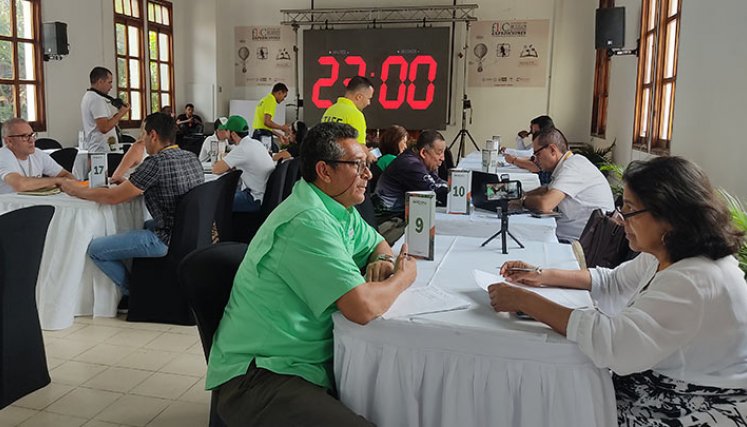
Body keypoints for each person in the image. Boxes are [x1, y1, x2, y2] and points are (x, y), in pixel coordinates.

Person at [490, 156, 747, 425]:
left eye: (629, 210)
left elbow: (616, 345)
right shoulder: (667, 252)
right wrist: (541, 275)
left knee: (556, 402)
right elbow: (613, 282)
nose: (621, 220)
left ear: (669, 216)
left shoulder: (695, 279)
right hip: (663, 383)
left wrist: (527, 302)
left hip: (697, 404)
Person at [206, 122, 416, 426]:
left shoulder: (337, 208)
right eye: (357, 166)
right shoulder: (307, 221)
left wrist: (383, 258)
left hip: (306, 363)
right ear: (325, 171)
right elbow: (362, 307)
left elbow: (378, 243)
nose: (368, 174)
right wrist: (403, 276)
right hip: (263, 376)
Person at [60, 112, 204, 295]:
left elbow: (113, 198)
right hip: (190, 233)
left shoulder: (156, 163)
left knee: (96, 249)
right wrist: (130, 185)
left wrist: (75, 190)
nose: (142, 139)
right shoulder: (191, 157)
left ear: (153, 135)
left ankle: (133, 293)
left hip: (166, 239)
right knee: (142, 224)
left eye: (143, 134)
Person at [519, 127, 614, 242]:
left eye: (537, 154)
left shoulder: (573, 166)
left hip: (579, 244)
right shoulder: (569, 164)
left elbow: (545, 204)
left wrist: (522, 200)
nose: (535, 160)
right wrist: (521, 194)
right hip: (577, 236)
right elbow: (546, 190)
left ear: (552, 150)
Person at [374, 129, 449, 215]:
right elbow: (435, 192)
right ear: (423, 153)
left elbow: (437, 181)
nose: (442, 158)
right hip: (388, 217)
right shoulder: (410, 164)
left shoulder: (420, 162)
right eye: (439, 153)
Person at [211, 115, 275, 213]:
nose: (225, 135)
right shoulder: (256, 143)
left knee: (216, 201)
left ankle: (223, 228)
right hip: (265, 196)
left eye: (226, 131)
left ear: (232, 134)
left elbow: (216, 169)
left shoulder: (242, 149)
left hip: (253, 199)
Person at [0, 118, 75, 194]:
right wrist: (58, 181)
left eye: (32, 135)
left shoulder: (38, 153)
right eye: (25, 136)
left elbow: (65, 175)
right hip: (10, 204)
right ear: (9, 141)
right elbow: (20, 185)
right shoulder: (3, 156)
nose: (31, 140)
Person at [321, 76, 375, 161]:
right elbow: (359, 148)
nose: (369, 103)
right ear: (359, 97)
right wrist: (369, 154)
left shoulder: (330, 110)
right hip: (343, 165)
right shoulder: (356, 115)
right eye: (369, 99)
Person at [81, 66, 130, 153]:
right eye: (109, 82)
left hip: (100, 149)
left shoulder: (89, 96)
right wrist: (121, 113)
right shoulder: (96, 99)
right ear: (100, 82)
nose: (111, 87)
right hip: (102, 151)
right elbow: (104, 128)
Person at [503, 115, 554, 184]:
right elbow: (526, 153)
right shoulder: (540, 141)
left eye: (534, 130)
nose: (531, 132)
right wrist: (519, 139)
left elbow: (531, 158)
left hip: (544, 182)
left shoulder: (548, 142)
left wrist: (511, 158)